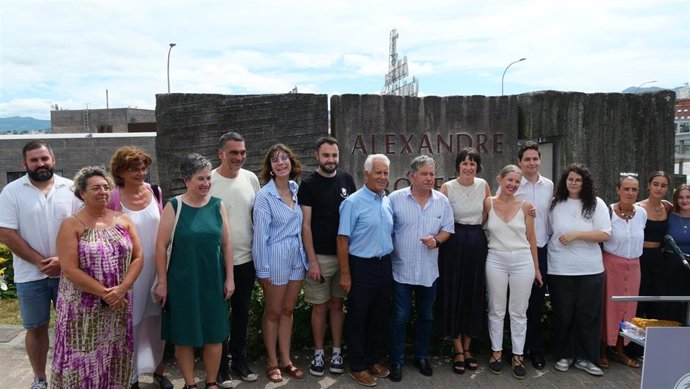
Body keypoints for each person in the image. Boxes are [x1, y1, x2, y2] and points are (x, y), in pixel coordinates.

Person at [51, 166, 144, 387]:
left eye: (106, 187)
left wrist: (122, 289)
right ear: (82, 193)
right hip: (83, 310)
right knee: (84, 359)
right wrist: (106, 294)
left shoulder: (123, 220)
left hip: (118, 305)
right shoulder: (71, 224)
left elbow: (139, 257)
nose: (103, 191)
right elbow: (69, 269)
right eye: (96, 188)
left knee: (115, 355)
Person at [0, 140, 81, 389]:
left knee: (73, 327)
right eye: (34, 160)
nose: (40, 163)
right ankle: (40, 378)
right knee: (36, 327)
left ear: (53, 159)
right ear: (24, 163)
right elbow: (6, 232)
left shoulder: (72, 189)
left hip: (69, 274)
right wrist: (41, 261)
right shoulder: (12, 192)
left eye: (44, 158)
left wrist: (63, 261)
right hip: (29, 275)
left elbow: (84, 227)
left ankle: (71, 376)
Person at [153, 153, 235, 389]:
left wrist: (230, 278)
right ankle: (190, 384)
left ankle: (211, 383)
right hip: (182, 282)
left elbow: (227, 244)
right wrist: (162, 282)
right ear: (186, 180)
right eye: (200, 178)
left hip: (213, 281)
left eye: (208, 178)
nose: (206, 183)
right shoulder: (174, 206)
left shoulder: (217, 205)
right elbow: (161, 245)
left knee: (215, 334)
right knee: (184, 336)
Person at [108, 146, 173, 389]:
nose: (141, 172)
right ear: (120, 171)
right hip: (130, 272)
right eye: (133, 168)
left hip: (157, 269)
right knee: (131, 325)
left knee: (156, 321)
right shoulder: (114, 196)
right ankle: (132, 376)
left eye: (143, 167)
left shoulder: (154, 191)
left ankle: (158, 371)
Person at [387, 155, 454, 382]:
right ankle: (396, 361)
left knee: (425, 316)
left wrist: (437, 240)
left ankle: (421, 356)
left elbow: (448, 229)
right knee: (400, 317)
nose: (429, 178)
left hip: (428, 271)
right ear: (411, 176)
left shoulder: (441, 201)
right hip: (401, 270)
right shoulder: (395, 199)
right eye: (424, 174)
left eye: (432, 174)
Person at [297, 137, 356, 377]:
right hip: (319, 258)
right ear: (316, 156)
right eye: (326, 156)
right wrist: (312, 261)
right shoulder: (308, 184)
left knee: (337, 305)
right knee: (320, 308)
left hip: (344, 257)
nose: (330, 160)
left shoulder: (347, 180)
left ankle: (337, 351)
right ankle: (319, 353)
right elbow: (306, 225)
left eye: (334, 155)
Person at [253, 144, 309, 383]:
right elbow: (260, 237)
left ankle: (286, 359)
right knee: (273, 311)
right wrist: (262, 269)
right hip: (274, 256)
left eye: (284, 158)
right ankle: (272, 361)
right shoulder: (265, 196)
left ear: (291, 162)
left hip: (296, 257)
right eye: (275, 160)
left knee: (288, 310)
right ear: (270, 167)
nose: (281, 162)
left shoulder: (297, 189)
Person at [548, 163, 610, 377]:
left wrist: (576, 235)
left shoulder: (596, 204)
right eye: (570, 179)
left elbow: (604, 234)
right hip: (560, 268)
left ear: (585, 183)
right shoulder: (555, 204)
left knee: (588, 315)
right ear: (565, 182)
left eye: (578, 180)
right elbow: (547, 231)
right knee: (563, 314)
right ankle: (564, 355)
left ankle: (586, 358)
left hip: (590, 269)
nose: (573, 183)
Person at [337, 153, 394, 387]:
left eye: (385, 173)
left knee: (379, 316)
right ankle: (357, 365)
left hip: (384, 265)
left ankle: (372, 359)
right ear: (366, 174)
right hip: (361, 266)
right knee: (358, 318)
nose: (382, 177)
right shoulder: (352, 202)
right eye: (378, 172)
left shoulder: (387, 199)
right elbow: (342, 239)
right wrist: (346, 274)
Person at [210, 132, 260, 386]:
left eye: (242, 152)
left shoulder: (251, 178)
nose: (239, 157)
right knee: (219, 316)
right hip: (217, 263)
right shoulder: (209, 181)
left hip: (246, 261)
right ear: (221, 153)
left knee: (241, 314)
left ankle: (239, 360)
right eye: (233, 152)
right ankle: (220, 367)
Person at [484, 165, 542, 379]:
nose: (513, 185)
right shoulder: (488, 203)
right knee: (496, 309)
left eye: (517, 182)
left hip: (522, 260)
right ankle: (496, 352)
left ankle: (518, 356)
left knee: (518, 311)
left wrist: (536, 268)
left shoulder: (527, 206)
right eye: (509, 180)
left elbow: (532, 238)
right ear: (500, 179)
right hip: (495, 258)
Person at [438, 147, 491, 374]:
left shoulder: (484, 185)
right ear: (458, 165)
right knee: (455, 293)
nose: (468, 167)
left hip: (477, 243)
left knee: (473, 293)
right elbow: (442, 218)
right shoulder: (447, 188)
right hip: (454, 244)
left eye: (472, 163)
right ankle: (457, 348)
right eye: (464, 163)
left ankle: (468, 348)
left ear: (477, 167)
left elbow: (489, 214)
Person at [513, 141, 554, 370]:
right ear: (520, 162)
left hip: (541, 248)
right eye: (527, 159)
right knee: (518, 303)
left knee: (537, 303)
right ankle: (517, 347)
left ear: (540, 160)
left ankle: (535, 349)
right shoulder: (512, 185)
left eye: (535, 158)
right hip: (518, 249)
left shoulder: (549, 186)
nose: (531, 163)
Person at [599, 173, 645, 369]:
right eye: (626, 188)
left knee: (628, 309)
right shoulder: (608, 211)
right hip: (611, 265)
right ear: (618, 190)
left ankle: (620, 350)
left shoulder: (642, 213)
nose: (630, 193)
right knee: (607, 308)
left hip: (634, 266)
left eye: (634, 189)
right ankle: (601, 350)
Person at [635, 171, 672, 320]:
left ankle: (655, 337)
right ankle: (633, 341)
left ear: (667, 189)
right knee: (640, 297)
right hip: (640, 256)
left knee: (657, 298)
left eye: (663, 186)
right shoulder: (638, 207)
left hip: (658, 257)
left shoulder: (668, 206)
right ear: (648, 185)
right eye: (655, 184)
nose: (659, 188)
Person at [661, 184, 690, 323]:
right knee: (672, 301)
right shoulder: (669, 215)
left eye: (688, 197)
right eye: (681, 197)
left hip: (688, 265)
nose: (684, 200)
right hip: (671, 264)